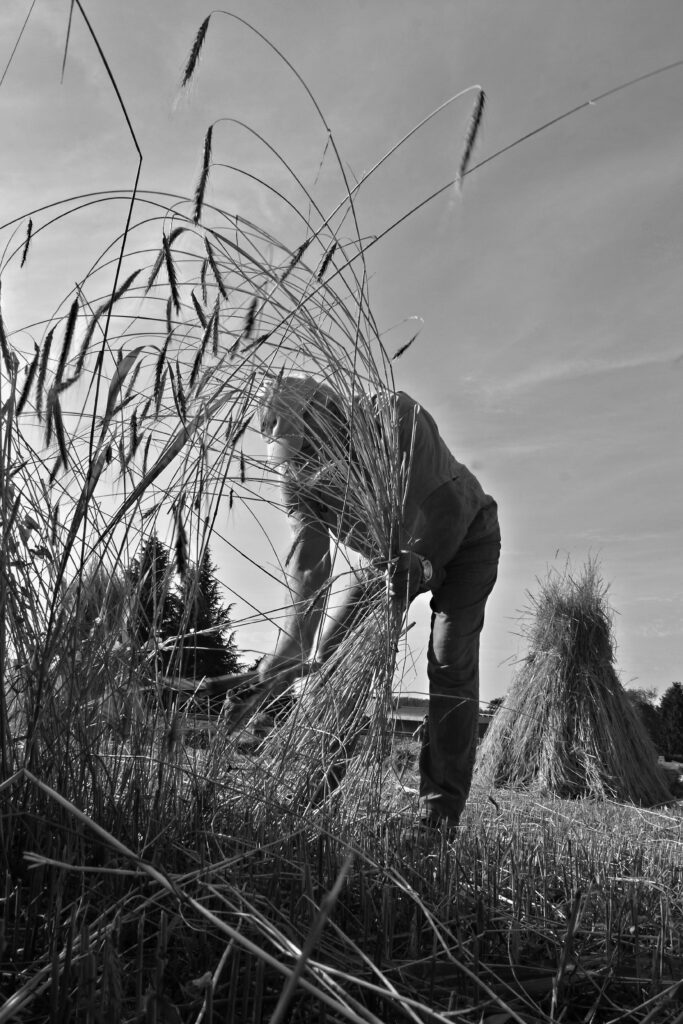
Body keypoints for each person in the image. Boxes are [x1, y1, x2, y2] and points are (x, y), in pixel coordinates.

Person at [214, 375, 500, 827]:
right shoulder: (297, 478)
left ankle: (437, 817)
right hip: (388, 562)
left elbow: (444, 510)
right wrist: (278, 665)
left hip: (466, 538)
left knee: (449, 664)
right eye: (293, 452)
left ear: (328, 412)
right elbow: (309, 570)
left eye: (307, 444)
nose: (303, 461)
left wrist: (422, 567)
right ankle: (309, 794)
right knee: (332, 659)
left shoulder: (395, 417)